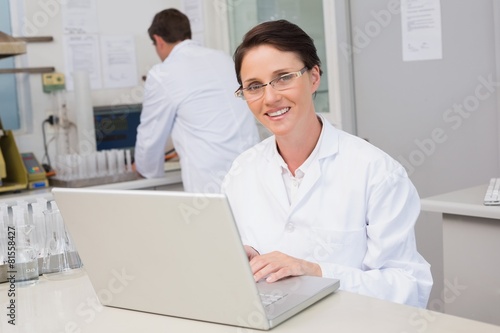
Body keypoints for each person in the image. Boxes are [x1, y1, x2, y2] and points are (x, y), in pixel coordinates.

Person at [221, 20, 433, 308]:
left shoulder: (376, 172)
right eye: (254, 86)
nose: (270, 98)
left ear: (314, 77)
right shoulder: (242, 171)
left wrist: (318, 272)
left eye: (283, 77)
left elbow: (409, 286)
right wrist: (240, 258)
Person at [134, 8, 260, 193]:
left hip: (210, 181)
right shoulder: (223, 58)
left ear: (158, 40)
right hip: (251, 170)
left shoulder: (163, 74)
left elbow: (150, 136)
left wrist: (145, 169)